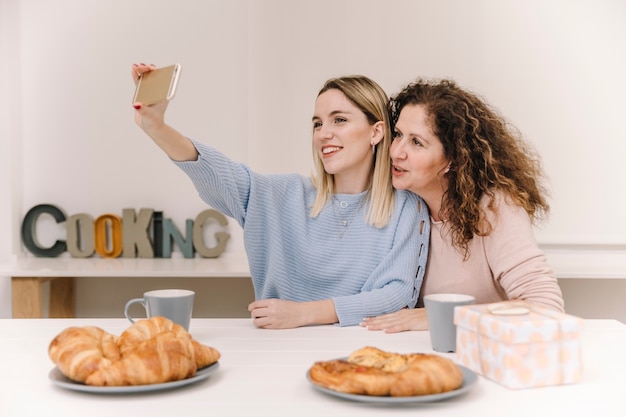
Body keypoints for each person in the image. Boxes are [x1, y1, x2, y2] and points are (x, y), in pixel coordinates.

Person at [131, 63, 430, 329]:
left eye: (339, 120)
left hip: (361, 353)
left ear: (376, 132)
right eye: (317, 123)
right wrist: (156, 126)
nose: (323, 133)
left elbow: (398, 294)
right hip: (278, 351)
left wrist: (304, 313)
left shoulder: (407, 207)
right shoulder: (283, 195)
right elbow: (216, 173)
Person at [361, 78, 564, 333]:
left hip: (486, 355)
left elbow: (545, 307)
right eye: (398, 135)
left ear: (453, 160)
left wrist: (436, 316)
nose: (396, 152)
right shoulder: (402, 207)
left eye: (416, 143)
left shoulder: (494, 207)